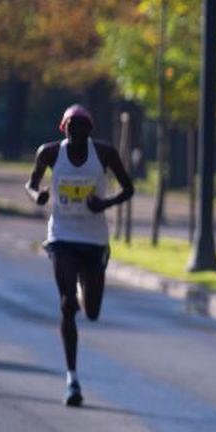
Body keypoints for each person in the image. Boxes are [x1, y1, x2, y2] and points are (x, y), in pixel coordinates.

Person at [25, 104, 134, 407]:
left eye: (83, 126)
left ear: (90, 130)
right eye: (72, 126)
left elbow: (129, 189)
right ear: (64, 128)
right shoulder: (48, 153)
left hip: (94, 240)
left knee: (93, 311)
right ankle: (72, 378)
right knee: (67, 306)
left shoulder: (105, 153)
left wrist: (104, 203)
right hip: (62, 235)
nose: (77, 132)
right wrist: (38, 196)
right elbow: (31, 184)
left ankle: (81, 286)